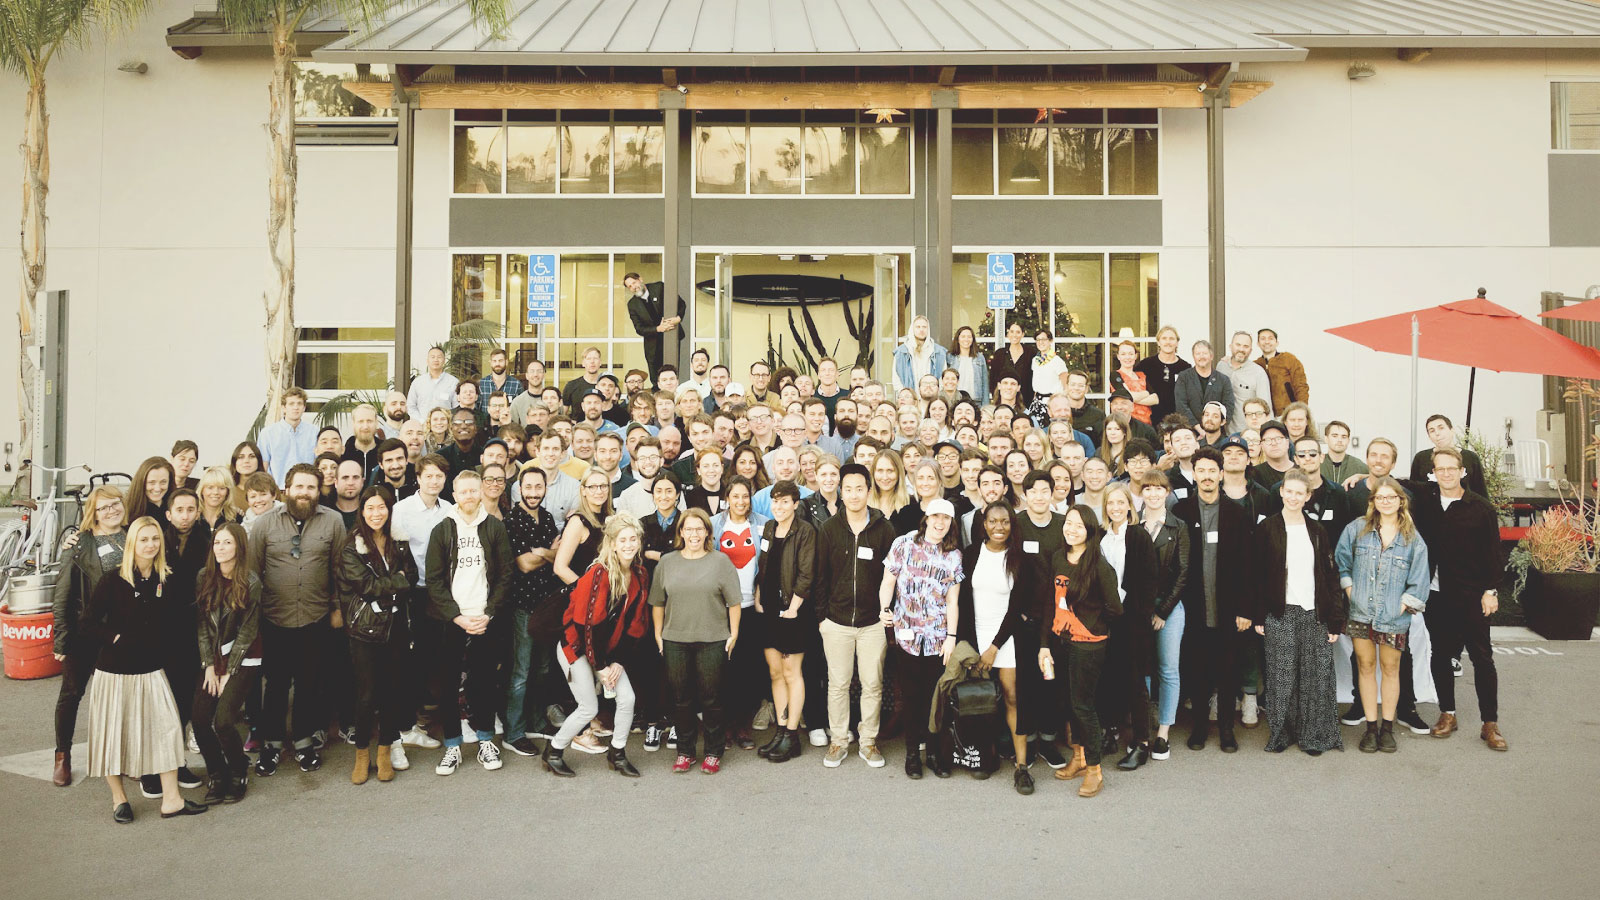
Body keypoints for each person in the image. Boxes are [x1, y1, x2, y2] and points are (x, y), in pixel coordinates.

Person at [82, 516, 208, 822]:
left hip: (153, 670)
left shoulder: (168, 579)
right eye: (144, 539)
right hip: (114, 672)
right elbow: (88, 622)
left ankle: (172, 800)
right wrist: (115, 637)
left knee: (168, 730)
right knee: (113, 736)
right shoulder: (113, 580)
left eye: (155, 539)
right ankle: (119, 799)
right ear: (132, 543)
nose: (150, 545)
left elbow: (179, 622)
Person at [546, 515, 651, 777]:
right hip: (577, 647)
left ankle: (618, 753)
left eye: (633, 539)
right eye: (622, 540)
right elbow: (586, 626)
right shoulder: (598, 573)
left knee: (627, 698)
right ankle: (554, 751)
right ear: (612, 543)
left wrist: (618, 661)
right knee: (588, 707)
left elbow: (636, 625)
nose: (629, 545)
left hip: (608, 652)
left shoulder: (639, 574)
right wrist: (601, 666)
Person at [1416, 447, 1507, 750]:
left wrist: (1491, 591)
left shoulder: (1480, 508)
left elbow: (1494, 554)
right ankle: (1448, 714)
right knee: (1441, 655)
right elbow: (1398, 483)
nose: (1446, 474)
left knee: (1482, 658)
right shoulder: (1426, 503)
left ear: (1462, 471)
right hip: (1436, 595)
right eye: (1440, 469)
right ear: (1433, 473)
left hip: (1472, 595)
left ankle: (1490, 723)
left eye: (1451, 468)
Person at [425, 469, 514, 775]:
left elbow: (505, 574)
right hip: (452, 619)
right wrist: (457, 616)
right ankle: (452, 745)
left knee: (484, 682)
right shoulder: (442, 530)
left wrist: (489, 612)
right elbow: (434, 580)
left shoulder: (494, 528)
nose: (469, 496)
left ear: (481, 492)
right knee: (448, 683)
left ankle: (486, 740)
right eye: (463, 492)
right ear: (454, 495)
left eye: (474, 490)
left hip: (484, 618)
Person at [1253, 471, 1347, 755]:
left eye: (1299, 493)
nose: (1293, 497)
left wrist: (1335, 619)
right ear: (1282, 492)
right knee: (1282, 676)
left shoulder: (1317, 530)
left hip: (1314, 613)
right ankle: (1281, 733)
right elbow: (1256, 576)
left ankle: (1314, 735)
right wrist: (1258, 615)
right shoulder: (1267, 528)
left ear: (1308, 497)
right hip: (1280, 612)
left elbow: (1330, 575)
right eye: (1289, 491)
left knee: (1315, 676)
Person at [1335, 475, 1430, 754]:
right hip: (1361, 612)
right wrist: (1350, 590)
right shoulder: (1356, 529)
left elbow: (1420, 578)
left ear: (1401, 501)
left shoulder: (1411, 537)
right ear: (1373, 501)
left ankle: (1387, 728)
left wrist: (1402, 607)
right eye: (1380, 497)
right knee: (1365, 666)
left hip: (1393, 617)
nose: (1385, 502)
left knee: (1390, 669)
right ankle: (1370, 728)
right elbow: (1341, 562)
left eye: (1391, 497)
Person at [812, 463, 897, 770]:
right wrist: (822, 618)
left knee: (873, 683)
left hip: (872, 622)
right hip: (836, 622)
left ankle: (868, 741)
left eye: (859, 488)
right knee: (838, 684)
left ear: (868, 491)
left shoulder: (884, 529)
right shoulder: (829, 529)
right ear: (841, 491)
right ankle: (838, 740)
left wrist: (886, 612)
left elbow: (893, 576)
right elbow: (820, 577)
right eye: (847, 489)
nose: (853, 495)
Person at [1173, 447, 1255, 752]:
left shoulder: (1237, 513)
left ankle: (1226, 729)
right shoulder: (1181, 511)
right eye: (1201, 471)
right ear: (1194, 475)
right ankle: (1198, 727)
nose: (1207, 477)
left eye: (1212, 471)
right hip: (1193, 606)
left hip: (1228, 607)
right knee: (1197, 669)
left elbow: (1248, 565)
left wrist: (1245, 609)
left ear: (1221, 474)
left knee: (1228, 670)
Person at [651, 510, 742, 774]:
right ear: (681, 532)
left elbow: (734, 602)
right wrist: (658, 633)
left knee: (711, 698)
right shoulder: (667, 562)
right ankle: (685, 751)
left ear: (707, 533)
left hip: (713, 638)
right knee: (681, 698)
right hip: (675, 639)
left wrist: (734, 633)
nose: (694, 534)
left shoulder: (720, 562)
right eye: (688, 529)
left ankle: (713, 751)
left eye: (699, 529)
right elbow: (657, 602)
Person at [337, 486, 419, 784]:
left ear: (389, 509)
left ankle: (384, 751)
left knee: (392, 691)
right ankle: (362, 754)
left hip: (396, 626)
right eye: (370, 508)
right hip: (366, 628)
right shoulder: (352, 547)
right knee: (367, 694)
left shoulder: (399, 541)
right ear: (362, 511)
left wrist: (396, 582)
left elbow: (411, 577)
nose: (376, 513)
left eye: (381, 507)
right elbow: (367, 587)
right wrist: (396, 582)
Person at [1039, 505, 1121, 797]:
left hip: (1088, 645)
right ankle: (1079, 757)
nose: (1071, 530)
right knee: (1067, 703)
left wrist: (1092, 623)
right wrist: (1044, 644)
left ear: (1090, 531)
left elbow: (1115, 608)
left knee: (1083, 706)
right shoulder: (1058, 557)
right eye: (1068, 523)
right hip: (1060, 641)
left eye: (1078, 526)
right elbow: (1050, 603)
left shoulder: (1099, 566)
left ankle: (1095, 770)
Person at [881, 497, 963, 779]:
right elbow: (888, 581)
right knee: (911, 697)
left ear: (951, 523)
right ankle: (912, 754)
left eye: (946, 518)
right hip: (907, 635)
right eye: (935, 516)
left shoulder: (953, 555)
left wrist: (951, 637)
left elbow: (952, 601)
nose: (940, 522)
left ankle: (934, 754)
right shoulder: (904, 544)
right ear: (926, 518)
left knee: (934, 698)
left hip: (938, 637)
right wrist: (884, 609)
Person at [50, 485, 127, 787]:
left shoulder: (133, 535)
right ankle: (62, 755)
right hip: (85, 632)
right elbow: (62, 595)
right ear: (93, 513)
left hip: (120, 634)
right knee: (71, 694)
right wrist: (61, 639)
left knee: (119, 698)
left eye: (115, 504)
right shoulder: (79, 543)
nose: (111, 511)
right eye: (103, 507)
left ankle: (121, 757)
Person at [958, 503, 1032, 793]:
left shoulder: (1019, 558)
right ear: (984, 524)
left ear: (1012, 525)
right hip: (977, 636)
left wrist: (994, 647)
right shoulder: (971, 554)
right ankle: (985, 756)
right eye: (993, 521)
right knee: (983, 700)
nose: (999, 527)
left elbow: (1016, 608)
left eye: (1005, 522)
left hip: (1006, 637)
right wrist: (975, 646)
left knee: (1012, 697)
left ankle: (1021, 766)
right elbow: (964, 602)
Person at [191, 523, 261, 804]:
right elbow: (202, 627)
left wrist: (228, 672)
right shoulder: (204, 577)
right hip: (214, 657)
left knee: (223, 721)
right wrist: (210, 666)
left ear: (239, 547)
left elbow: (247, 632)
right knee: (199, 719)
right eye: (217, 542)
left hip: (243, 658)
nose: (220, 548)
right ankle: (217, 772)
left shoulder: (251, 582)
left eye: (227, 543)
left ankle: (238, 769)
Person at [749, 480, 817, 763]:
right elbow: (763, 565)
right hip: (769, 610)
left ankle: (792, 735)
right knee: (775, 673)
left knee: (792, 672)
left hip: (793, 612)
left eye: (784, 501)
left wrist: (794, 607)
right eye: (775, 501)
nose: (779, 506)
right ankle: (780, 729)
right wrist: (758, 594)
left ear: (795, 504)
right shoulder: (768, 528)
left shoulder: (805, 531)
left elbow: (806, 573)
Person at [501, 465, 563, 757]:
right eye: (529, 487)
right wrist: (549, 554)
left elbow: (557, 556)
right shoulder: (512, 521)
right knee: (521, 672)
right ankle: (514, 732)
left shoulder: (547, 518)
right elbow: (524, 564)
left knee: (543, 667)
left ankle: (536, 722)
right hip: (523, 606)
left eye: (539, 487)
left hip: (546, 605)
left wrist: (544, 553)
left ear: (545, 488)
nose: (534, 492)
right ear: (519, 489)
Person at [1097, 484, 1157, 771]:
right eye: (1111, 503)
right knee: (1108, 678)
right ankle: (1111, 731)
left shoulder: (1138, 536)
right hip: (1105, 618)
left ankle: (1141, 742)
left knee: (1135, 681)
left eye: (1121, 503)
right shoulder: (1101, 537)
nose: (1116, 508)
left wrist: (1139, 617)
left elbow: (1149, 580)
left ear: (1130, 507)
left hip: (1132, 619)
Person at [1139, 472, 1189, 760]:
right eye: (1148, 488)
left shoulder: (1178, 527)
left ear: (1167, 492)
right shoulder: (1133, 524)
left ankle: (1163, 734)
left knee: (1168, 670)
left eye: (1159, 489)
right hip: (1139, 608)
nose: (1154, 494)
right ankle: (1143, 730)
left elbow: (1183, 573)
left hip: (1169, 607)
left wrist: (1162, 611)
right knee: (1143, 670)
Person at [624, 273, 683, 388]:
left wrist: (678, 318)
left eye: (634, 283)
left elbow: (681, 303)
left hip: (673, 338)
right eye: (630, 286)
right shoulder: (632, 304)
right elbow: (639, 329)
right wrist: (658, 329)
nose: (633, 287)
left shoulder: (659, 288)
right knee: (656, 380)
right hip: (653, 346)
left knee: (676, 374)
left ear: (640, 279)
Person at [1410, 414, 1489, 498]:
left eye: (1441, 428)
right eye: (1432, 431)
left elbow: (1481, 492)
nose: (1437, 433)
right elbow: (1413, 492)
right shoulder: (1421, 458)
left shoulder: (1471, 458)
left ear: (1452, 430)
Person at [1133, 326, 1190, 426]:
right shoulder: (1145, 365)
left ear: (1177, 343)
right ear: (1158, 342)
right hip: (1149, 421)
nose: (1168, 342)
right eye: (1164, 338)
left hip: (1177, 423)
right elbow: (1132, 385)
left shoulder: (1185, 368)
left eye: (1171, 339)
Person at [1254, 328, 1309, 414]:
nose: (1267, 342)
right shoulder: (1256, 365)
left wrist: (1302, 410)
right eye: (1263, 338)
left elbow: (1301, 386)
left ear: (1277, 342)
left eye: (1270, 338)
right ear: (1258, 343)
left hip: (1288, 412)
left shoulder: (1288, 359)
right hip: (1266, 414)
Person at [892, 315, 949, 393]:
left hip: (932, 396)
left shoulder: (938, 351)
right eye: (918, 327)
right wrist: (904, 393)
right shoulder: (901, 352)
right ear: (912, 329)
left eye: (924, 327)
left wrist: (936, 393)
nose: (921, 330)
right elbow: (896, 377)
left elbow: (943, 377)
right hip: (909, 396)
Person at [407, 347, 459, 422]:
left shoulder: (453, 382)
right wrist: (421, 421)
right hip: (422, 426)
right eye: (433, 357)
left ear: (444, 361)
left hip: (444, 426)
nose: (436, 360)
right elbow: (411, 406)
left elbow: (456, 407)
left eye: (439, 357)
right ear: (427, 361)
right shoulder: (417, 382)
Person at [990, 322, 1034, 409]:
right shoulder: (1000, 354)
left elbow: (1034, 378)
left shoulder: (1031, 353)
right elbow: (993, 378)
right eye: (1012, 331)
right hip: (1003, 401)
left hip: (1025, 402)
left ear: (1022, 334)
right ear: (1008, 334)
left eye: (1018, 332)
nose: (1014, 335)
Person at [1111, 342, 1157, 425]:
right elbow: (1127, 396)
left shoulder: (1142, 375)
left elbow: (1155, 399)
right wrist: (1146, 393)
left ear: (1136, 356)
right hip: (1125, 423)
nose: (1127, 357)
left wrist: (1133, 398)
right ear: (1118, 356)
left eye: (1131, 354)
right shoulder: (1115, 375)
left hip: (1146, 424)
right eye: (1123, 354)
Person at [1028, 330, 1068, 419]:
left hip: (1053, 402)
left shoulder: (1057, 361)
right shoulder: (1035, 361)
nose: (1040, 342)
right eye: (1038, 340)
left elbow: (1066, 385)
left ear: (1050, 341)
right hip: (1038, 402)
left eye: (1043, 339)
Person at [126, 456, 175, 524]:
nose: (157, 488)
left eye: (163, 482)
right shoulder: (128, 512)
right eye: (151, 482)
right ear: (141, 483)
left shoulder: (176, 506)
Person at [949, 326, 990, 402]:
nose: (966, 339)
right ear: (958, 339)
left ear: (973, 339)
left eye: (969, 337)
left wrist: (985, 404)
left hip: (975, 401)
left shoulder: (979, 358)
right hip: (955, 401)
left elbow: (985, 383)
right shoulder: (950, 357)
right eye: (963, 336)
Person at [1321, 420, 1369, 484]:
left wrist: (1361, 476)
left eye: (1344, 437)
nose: (1339, 440)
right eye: (1335, 436)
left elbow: (1379, 478)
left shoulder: (1359, 466)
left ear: (1348, 441)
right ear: (1326, 439)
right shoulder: (1317, 464)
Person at [197, 466, 238, 531]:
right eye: (210, 487)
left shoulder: (236, 519)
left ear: (228, 492)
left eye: (222, 488)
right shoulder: (192, 516)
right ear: (202, 490)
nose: (216, 492)